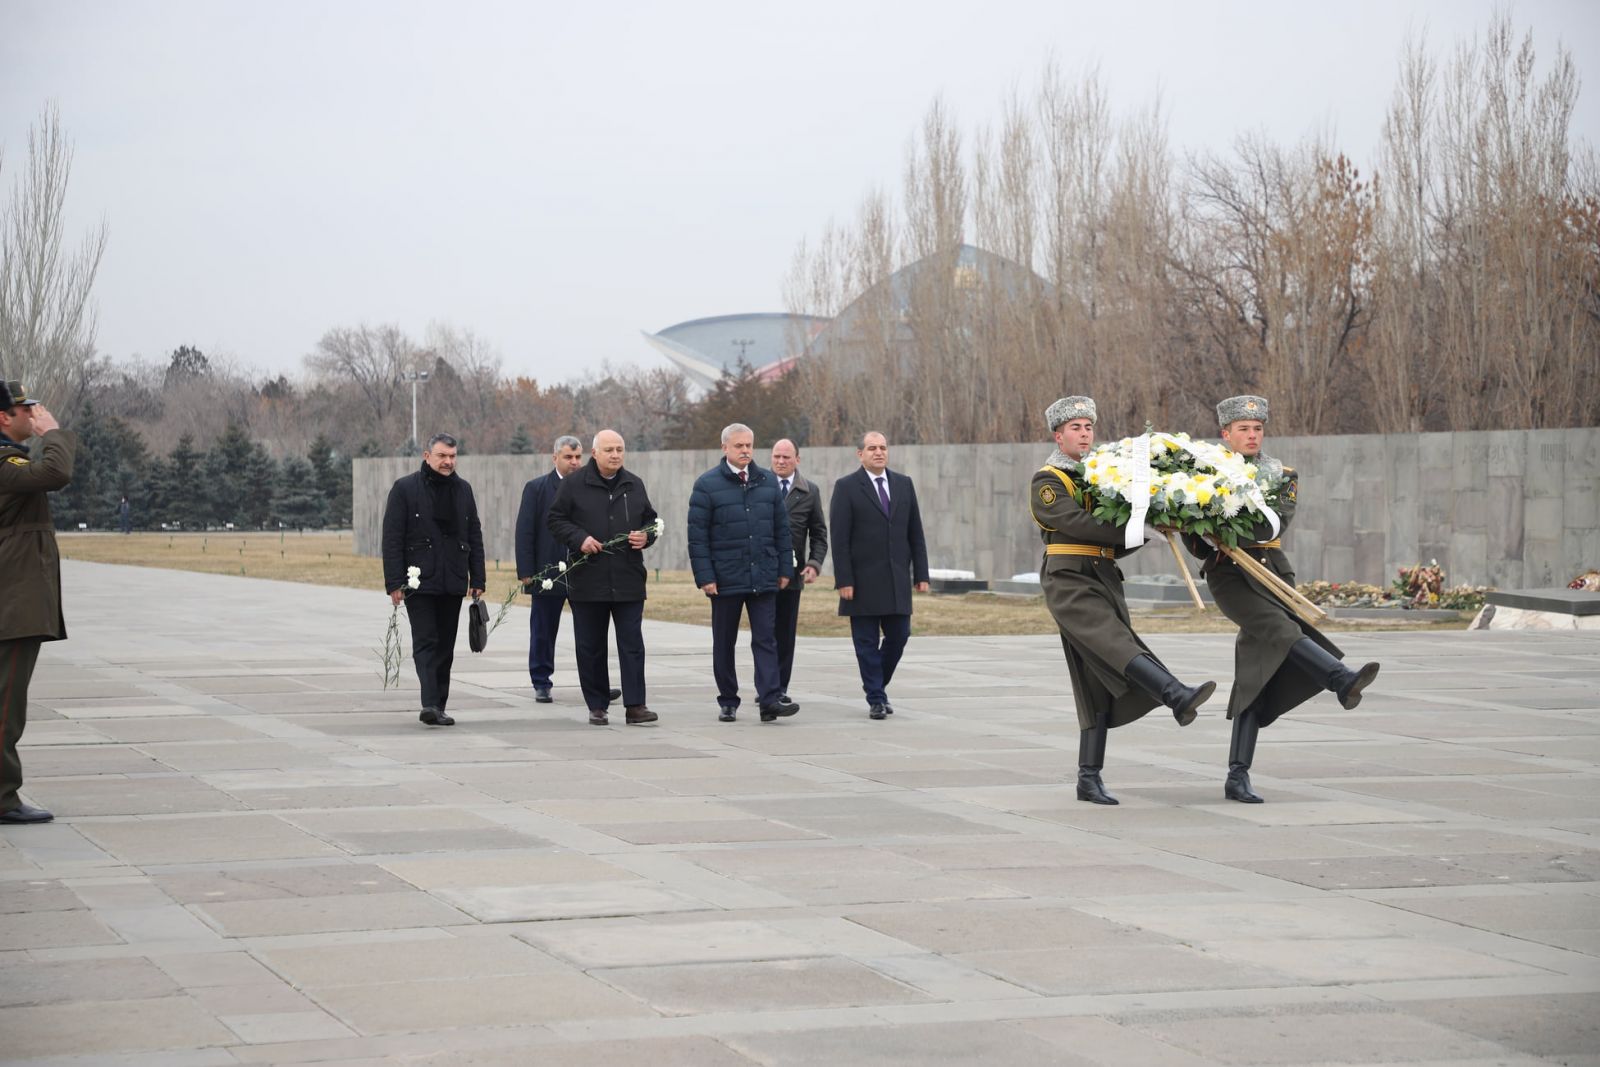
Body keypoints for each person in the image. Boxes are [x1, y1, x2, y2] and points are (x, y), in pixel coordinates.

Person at [1183, 395, 1380, 803]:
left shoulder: (1282, 475)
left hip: (1272, 571)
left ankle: (1237, 775)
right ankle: (1340, 680)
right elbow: (1194, 540)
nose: (1252, 435)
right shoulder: (1199, 476)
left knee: (1257, 671)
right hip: (1230, 576)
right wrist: (1200, 530)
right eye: (1243, 429)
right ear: (1226, 434)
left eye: (1257, 429)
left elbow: (1273, 522)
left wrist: (1222, 522)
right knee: (1279, 630)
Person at [1031, 396, 1216, 805]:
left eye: (1088, 427)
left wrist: (1149, 525)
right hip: (1068, 580)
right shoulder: (1048, 480)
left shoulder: (1099, 478)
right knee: (1117, 644)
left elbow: (1112, 541)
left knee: (1097, 677)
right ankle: (1175, 694)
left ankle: (1088, 777)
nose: (1084, 434)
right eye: (1075, 428)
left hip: (1104, 577)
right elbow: (1078, 524)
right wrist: (1134, 526)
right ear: (1057, 435)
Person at [547, 429, 659, 726]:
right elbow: (555, 520)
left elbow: (651, 520)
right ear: (594, 453)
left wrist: (645, 537)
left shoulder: (634, 484)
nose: (615, 455)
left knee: (632, 644)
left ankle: (636, 705)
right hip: (588, 579)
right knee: (590, 645)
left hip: (628, 578)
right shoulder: (574, 484)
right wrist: (579, 538)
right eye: (609, 449)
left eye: (620, 449)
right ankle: (597, 704)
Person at [687, 423, 798, 724]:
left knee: (766, 639)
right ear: (725, 448)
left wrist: (785, 568)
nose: (746, 450)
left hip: (763, 574)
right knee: (724, 641)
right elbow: (697, 537)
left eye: (749, 445)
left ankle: (770, 700)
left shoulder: (766, 482)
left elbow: (781, 530)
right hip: (725, 579)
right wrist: (705, 576)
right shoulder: (707, 485)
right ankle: (728, 700)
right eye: (739, 446)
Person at [0, 381, 75, 824]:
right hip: (12, 602)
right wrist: (54, 434)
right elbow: (55, 474)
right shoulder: (4, 461)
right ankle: (3, 798)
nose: (35, 413)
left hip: (13, 598)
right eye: (26, 409)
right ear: (4, 417)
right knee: (6, 705)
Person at [381, 433, 486, 727]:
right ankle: (429, 702)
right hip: (419, 581)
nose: (448, 462)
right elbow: (392, 539)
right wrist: (394, 582)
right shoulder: (404, 489)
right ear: (427, 456)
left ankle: (440, 704)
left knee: (445, 646)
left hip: (453, 579)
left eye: (452, 456)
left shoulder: (463, 490)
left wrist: (478, 577)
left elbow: (474, 534)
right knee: (426, 641)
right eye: (442, 456)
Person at [829, 431, 930, 720]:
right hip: (861, 583)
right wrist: (844, 580)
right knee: (866, 644)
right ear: (859, 454)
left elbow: (915, 533)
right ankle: (876, 698)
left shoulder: (903, 484)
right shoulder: (847, 487)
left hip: (896, 580)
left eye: (883, 447)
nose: (878, 452)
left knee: (900, 636)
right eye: (872, 448)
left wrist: (920, 573)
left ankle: (877, 686)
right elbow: (840, 539)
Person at [514, 434, 619, 706]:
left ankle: (598, 685)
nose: (574, 462)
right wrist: (527, 571)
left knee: (591, 633)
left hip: (585, 572)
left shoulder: (591, 487)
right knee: (543, 629)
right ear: (555, 458)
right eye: (568, 457)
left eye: (577, 457)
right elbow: (525, 531)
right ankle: (541, 681)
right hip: (548, 572)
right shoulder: (537, 488)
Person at [770, 437, 827, 703]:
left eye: (786, 457)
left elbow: (818, 534)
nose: (781, 462)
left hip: (792, 577)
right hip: (761, 573)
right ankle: (766, 686)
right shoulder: (759, 485)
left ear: (797, 460)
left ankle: (779, 688)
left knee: (784, 633)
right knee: (763, 634)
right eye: (776, 457)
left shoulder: (809, 491)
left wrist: (814, 564)